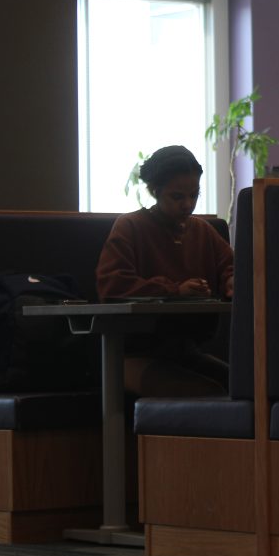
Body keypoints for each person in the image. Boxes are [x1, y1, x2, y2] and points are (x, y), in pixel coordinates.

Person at [96, 145, 235, 396]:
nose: (188, 205)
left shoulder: (202, 231)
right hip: (131, 354)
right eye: (177, 197)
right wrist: (174, 290)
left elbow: (230, 265)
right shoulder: (130, 227)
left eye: (194, 195)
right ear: (154, 191)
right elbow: (113, 284)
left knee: (243, 387)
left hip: (184, 350)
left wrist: (232, 281)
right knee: (207, 392)